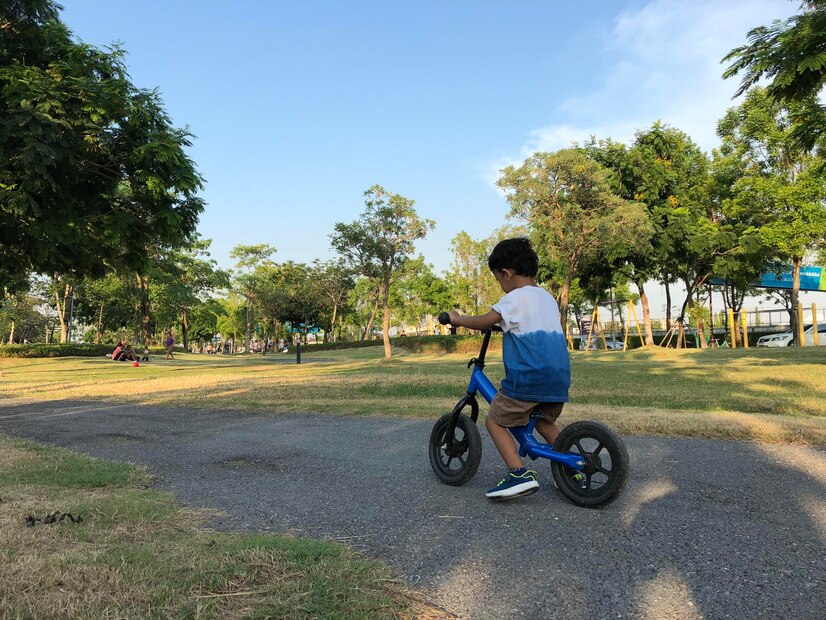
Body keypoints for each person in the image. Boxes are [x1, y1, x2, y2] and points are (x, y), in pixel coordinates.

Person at [447, 237, 573, 501]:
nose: (500, 285)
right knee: (543, 420)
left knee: (494, 420)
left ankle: (518, 474)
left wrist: (457, 318)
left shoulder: (514, 299)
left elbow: (485, 321)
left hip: (529, 378)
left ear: (506, 273)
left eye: (497, 279)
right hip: (559, 378)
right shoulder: (547, 297)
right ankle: (574, 466)